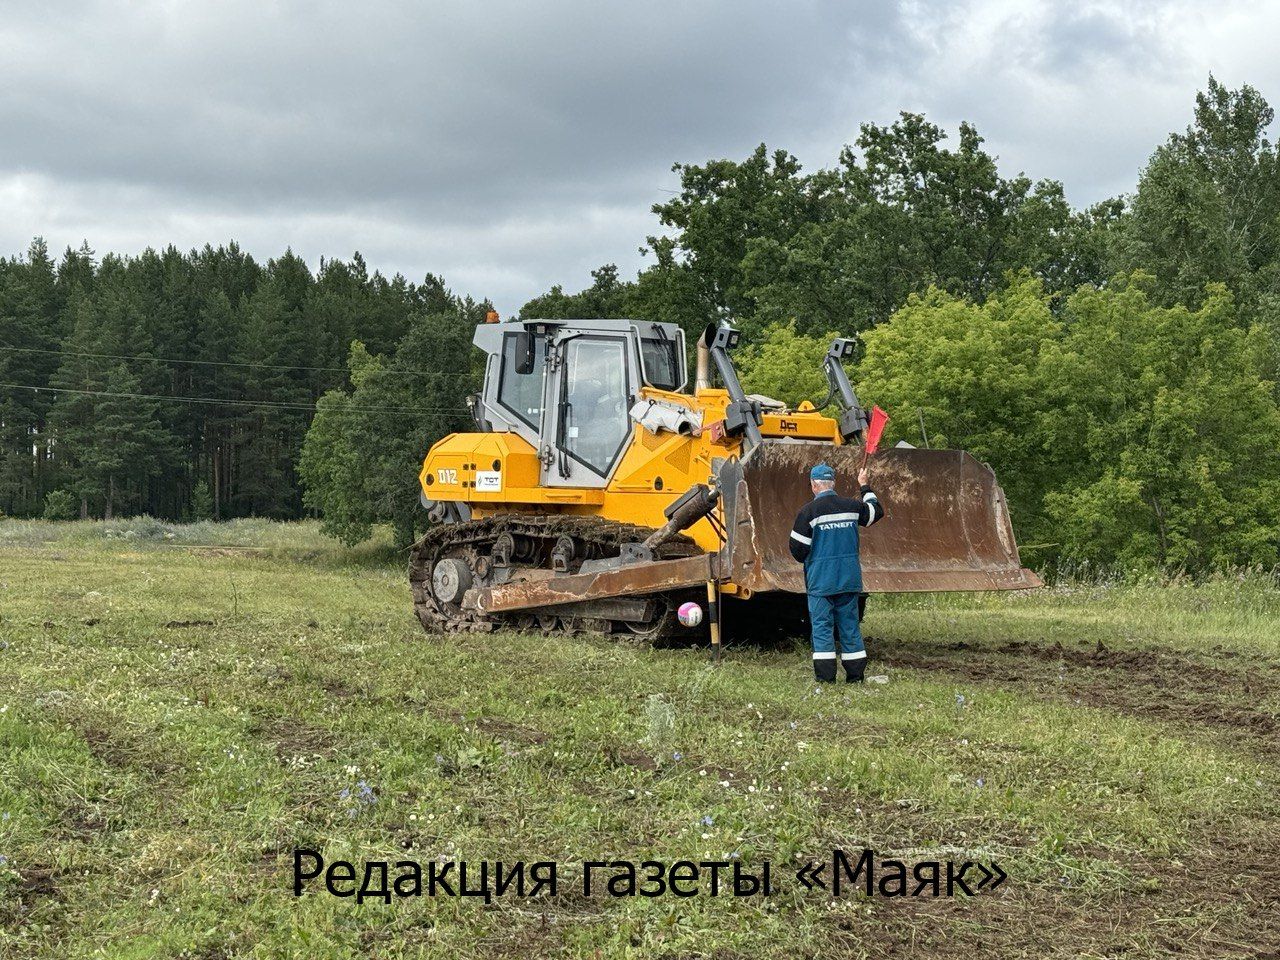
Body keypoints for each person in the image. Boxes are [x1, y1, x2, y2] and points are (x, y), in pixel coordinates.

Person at [788, 463, 884, 683]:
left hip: (821, 582)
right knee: (849, 626)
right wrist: (864, 486)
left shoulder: (808, 513)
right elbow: (875, 512)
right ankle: (856, 676)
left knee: (822, 628)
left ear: (813, 485)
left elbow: (797, 549)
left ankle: (826, 679)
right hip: (848, 579)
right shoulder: (851, 506)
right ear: (833, 483)